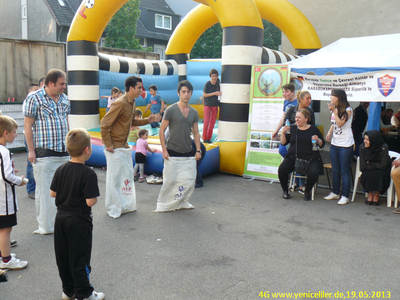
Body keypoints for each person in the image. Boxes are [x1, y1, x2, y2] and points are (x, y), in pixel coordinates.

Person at [50, 128, 104, 300]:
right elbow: (90, 201)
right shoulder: (88, 173)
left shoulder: (61, 169)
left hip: (60, 219)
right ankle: (84, 292)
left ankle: (68, 290)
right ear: (87, 149)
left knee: (63, 257)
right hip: (79, 221)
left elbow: (52, 193)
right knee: (80, 258)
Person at [100, 76, 160, 218]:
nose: (141, 90)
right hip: (114, 147)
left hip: (123, 146)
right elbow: (104, 124)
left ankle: (123, 205)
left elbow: (131, 121)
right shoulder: (120, 103)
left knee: (123, 177)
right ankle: (114, 207)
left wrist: (147, 120)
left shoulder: (132, 102)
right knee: (114, 179)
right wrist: (108, 144)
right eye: (139, 87)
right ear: (131, 88)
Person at [24, 69, 70, 234]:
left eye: (64, 83)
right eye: (61, 84)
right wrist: (31, 151)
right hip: (45, 152)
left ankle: (64, 223)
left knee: (66, 191)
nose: (64, 87)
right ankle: (47, 226)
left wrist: (71, 147)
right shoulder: (34, 98)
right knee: (45, 192)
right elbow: (27, 126)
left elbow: (66, 121)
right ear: (51, 83)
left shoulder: (64, 99)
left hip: (64, 152)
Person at [156, 80, 202, 212]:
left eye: (188, 92)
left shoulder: (193, 112)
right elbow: (162, 130)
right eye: (183, 92)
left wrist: (198, 150)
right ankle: (164, 204)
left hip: (188, 150)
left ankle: (182, 201)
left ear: (191, 93)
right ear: (178, 93)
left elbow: (196, 132)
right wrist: (164, 150)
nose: (186, 94)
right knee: (170, 181)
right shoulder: (171, 110)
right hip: (172, 150)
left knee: (188, 180)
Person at [0, 115, 28, 271]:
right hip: (3, 199)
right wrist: (20, 180)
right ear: (5, 133)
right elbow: (6, 176)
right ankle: (6, 260)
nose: (16, 135)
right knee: (6, 229)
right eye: (14, 132)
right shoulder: (4, 151)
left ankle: (2, 255)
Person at [278, 109, 325, 201]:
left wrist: (318, 140)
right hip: (293, 157)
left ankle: (307, 191)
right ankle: (285, 191)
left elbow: (322, 144)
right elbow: (283, 142)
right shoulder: (292, 129)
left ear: (306, 119)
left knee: (314, 172)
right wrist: (282, 133)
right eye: (296, 117)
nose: (296, 119)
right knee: (282, 170)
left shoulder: (313, 129)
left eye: (299, 117)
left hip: (310, 158)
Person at [324, 89, 354, 205]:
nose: (331, 97)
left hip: (345, 144)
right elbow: (334, 123)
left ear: (339, 97)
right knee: (335, 169)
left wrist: (334, 111)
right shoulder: (335, 109)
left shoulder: (348, 110)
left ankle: (345, 195)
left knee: (344, 170)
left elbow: (341, 123)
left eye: (333, 95)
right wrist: (329, 132)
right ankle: (335, 192)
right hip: (335, 143)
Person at [284, 90, 315, 193]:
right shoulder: (291, 109)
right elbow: (286, 122)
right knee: (287, 154)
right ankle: (295, 179)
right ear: (301, 99)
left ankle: (301, 184)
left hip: (304, 140)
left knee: (300, 158)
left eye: (310, 98)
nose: (309, 101)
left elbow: (313, 127)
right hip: (292, 138)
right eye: (307, 98)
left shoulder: (310, 112)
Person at [359, 130, 391, 206]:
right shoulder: (362, 147)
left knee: (380, 174)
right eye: (364, 139)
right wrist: (375, 164)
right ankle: (370, 193)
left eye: (367, 139)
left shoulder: (383, 147)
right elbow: (363, 165)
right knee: (367, 174)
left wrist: (370, 163)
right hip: (370, 168)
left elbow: (383, 165)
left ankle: (377, 193)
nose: (365, 141)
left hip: (382, 169)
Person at [22, 83, 39, 199]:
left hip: (37, 136)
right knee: (32, 162)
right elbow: (28, 124)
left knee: (35, 163)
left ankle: (36, 188)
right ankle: (31, 189)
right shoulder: (31, 100)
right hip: (30, 136)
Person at [272, 83, 298, 158]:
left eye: (286, 92)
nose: (284, 94)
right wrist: (276, 131)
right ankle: (290, 166)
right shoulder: (285, 101)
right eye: (283, 92)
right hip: (286, 130)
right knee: (282, 150)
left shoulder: (298, 101)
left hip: (295, 131)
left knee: (292, 151)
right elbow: (283, 117)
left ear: (293, 93)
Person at [202, 69, 220, 143]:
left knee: (212, 122)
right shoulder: (208, 84)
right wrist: (214, 93)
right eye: (213, 76)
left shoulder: (218, 85)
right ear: (210, 77)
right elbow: (204, 95)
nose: (214, 78)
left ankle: (208, 138)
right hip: (207, 105)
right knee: (206, 121)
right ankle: (204, 138)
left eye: (215, 76)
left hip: (214, 105)